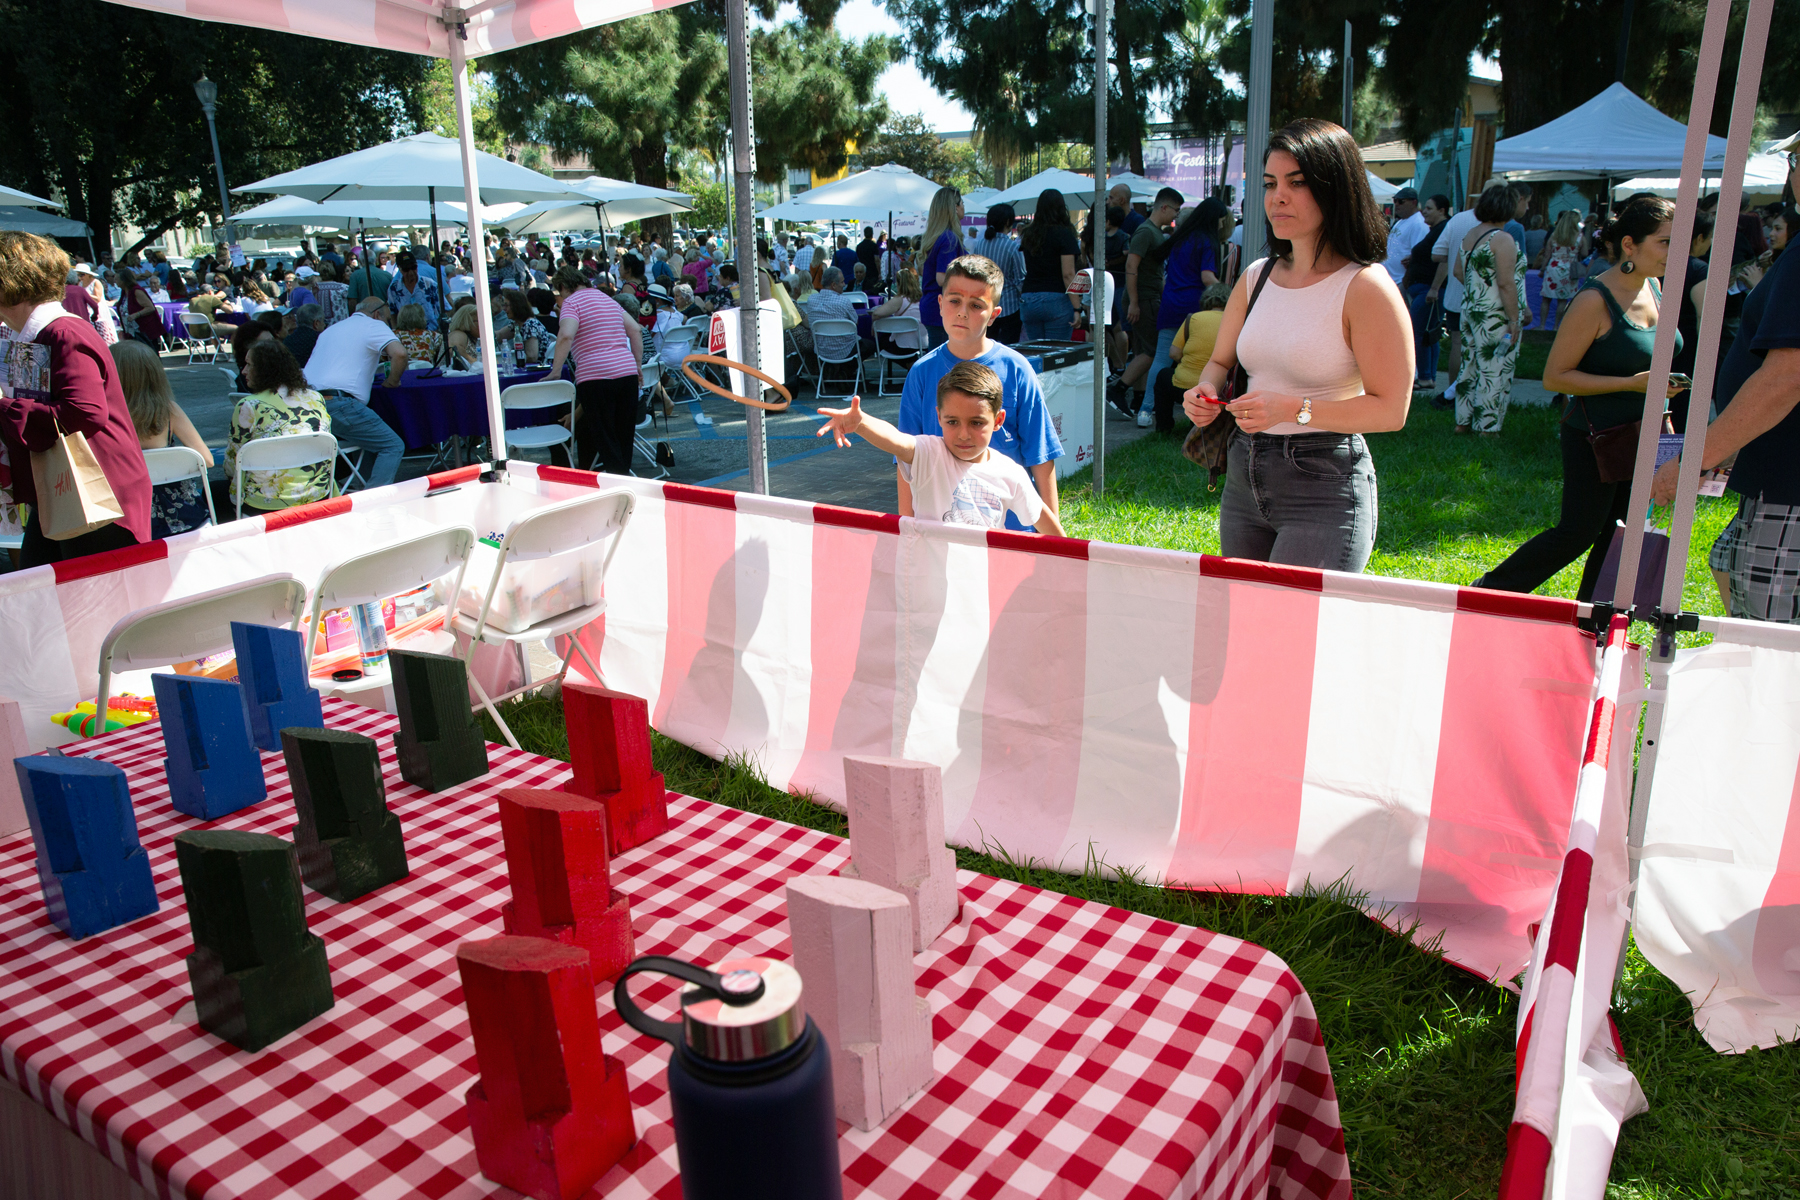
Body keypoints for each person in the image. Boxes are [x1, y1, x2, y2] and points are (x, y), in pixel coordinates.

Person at [1179, 118, 1413, 573]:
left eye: (1297, 182)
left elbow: (1391, 410)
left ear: (1336, 188)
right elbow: (1220, 362)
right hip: (1244, 475)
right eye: (1269, 183)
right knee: (1248, 629)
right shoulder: (1256, 276)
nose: (1277, 197)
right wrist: (1203, 393)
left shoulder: (1366, 286)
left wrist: (1291, 408)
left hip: (1324, 484)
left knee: (1298, 636)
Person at [1473, 196, 1682, 600]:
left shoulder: (1655, 288)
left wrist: (1664, 409)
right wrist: (1632, 383)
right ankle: (1489, 592)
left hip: (1646, 430)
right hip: (1596, 434)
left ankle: (1594, 619)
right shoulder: (1593, 300)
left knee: (1623, 534)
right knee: (1579, 532)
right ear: (1629, 246)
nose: (1676, 253)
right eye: (1665, 242)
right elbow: (1555, 377)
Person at [1652, 143, 1800, 622]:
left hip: (1788, 489)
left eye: (1794, 161)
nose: (1791, 172)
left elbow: (1786, 378)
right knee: (1727, 564)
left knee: (1769, 648)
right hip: (1774, 479)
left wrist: (1697, 458)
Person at [0, 232, 153, 567]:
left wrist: (4, 408)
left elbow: (83, 412)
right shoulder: (43, 333)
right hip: (67, 489)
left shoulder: (62, 332)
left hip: (97, 494)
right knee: (42, 596)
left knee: (84, 606)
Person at [896, 255, 1064, 531]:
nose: (962, 312)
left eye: (976, 305)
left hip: (1009, 534)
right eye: (954, 301)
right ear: (940, 304)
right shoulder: (921, 373)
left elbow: (1041, 455)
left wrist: (1051, 546)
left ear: (994, 314)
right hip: (941, 531)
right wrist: (907, 526)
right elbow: (906, 458)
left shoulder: (1017, 369)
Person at [818, 362, 1065, 536]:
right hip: (927, 590)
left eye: (977, 423)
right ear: (938, 417)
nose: (964, 434)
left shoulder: (1010, 473)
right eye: (952, 422)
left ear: (998, 420)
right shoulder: (929, 454)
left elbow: (1046, 525)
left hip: (979, 591)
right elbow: (896, 439)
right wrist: (861, 423)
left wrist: (1074, 564)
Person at [547, 265, 642, 476]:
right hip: (626, 371)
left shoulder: (572, 303)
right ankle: (624, 476)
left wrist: (555, 370)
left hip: (595, 375)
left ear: (563, 287)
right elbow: (635, 329)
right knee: (624, 433)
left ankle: (619, 480)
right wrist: (637, 364)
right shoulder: (607, 299)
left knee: (604, 434)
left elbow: (565, 336)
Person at [305, 296, 408, 489]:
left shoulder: (331, 329)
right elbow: (400, 354)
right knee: (392, 445)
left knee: (370, 437)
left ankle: (364, 487)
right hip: (338, 403)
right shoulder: (373, 324)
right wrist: (391, 381)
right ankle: (373, 500)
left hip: (308, 405)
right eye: (387, 320)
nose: (387, 325)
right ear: (377, 314)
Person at [1450, 182, 1527, 434]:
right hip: (1496, 315)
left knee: (1469, 364)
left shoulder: (1471, 234)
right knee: (1495, 368)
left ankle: (1462, 422)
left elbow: (1458, 271)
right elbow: (1506, 283)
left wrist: (1480, 289)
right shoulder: (1502, 239)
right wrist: (1514, 319)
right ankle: (1487, 427)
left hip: (1471, 309)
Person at [116, 340, 213, 537]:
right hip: (185, 515)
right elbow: (207, 460)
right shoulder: (169, 411)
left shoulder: (107, 416)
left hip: (129, 519)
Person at [228, 338, 334, 514]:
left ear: (264, 369)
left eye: (249, 365)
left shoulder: (249, 406)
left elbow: (232, 464)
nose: (244, 371)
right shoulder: (316, 398)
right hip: (317, 495)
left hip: (265, 504)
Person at [1145, 198, 1230, 411]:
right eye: (1221, 220)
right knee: (1201, 357)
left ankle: (1146, 408)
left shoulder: (1180, 238)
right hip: (1196, 308)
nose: (1222, 225)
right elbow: (1207, 277)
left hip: (1170, 303)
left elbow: (1166, 276)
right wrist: (1231, 294)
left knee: (1161, 358)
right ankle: (1197, 406)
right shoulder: (1207, 241)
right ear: (1214, 219)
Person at [1110, 187, 1184, 417]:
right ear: (1164, 207)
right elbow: (1131, 266)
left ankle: (1136, 399)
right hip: (1143, 298)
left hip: (1148, 298)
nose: (1176, 216)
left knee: (1143, 350)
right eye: (1175, 210)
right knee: (1152, 352)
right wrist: (1134, 302)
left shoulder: (1152, 231)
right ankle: (1119, 388)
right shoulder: (1145, 232)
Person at [1149, 282, 1231, 434]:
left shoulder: (1192, 319)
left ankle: (1164, 428)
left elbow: (1173, 353)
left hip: (1185, 388)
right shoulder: (1234, 322)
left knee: (1163, 376)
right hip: (1218, 390)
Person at [1428, 193, 1483, 409]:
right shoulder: (1503, 228)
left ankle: (1454, 393)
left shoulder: (1458, 219)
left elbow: (1437, 254)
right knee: (1481, 347)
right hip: (1484, 300)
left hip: (1456, 295)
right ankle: (1468, 397)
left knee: (1458, 344)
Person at [1017, 189, 1081, 342]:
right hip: (1056, 297)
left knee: (1035, 354)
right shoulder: (1064, 234)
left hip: (1029, 297)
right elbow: (1068, 274)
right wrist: (1077, 307)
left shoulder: (1029, 234)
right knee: (1056, 355)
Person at [1404, 194, 1450, 388]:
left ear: (1442, 211)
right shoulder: (1435, 230)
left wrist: (1434, 288)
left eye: (1430, 208)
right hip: (1424, 288)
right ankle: (1429, 376)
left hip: (1429, 290)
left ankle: (1423, 376)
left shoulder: (1443, 230)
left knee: (1417, 332)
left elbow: (1444, 259)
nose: (1425, 211)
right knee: (1430, 333)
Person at [968, 205, 1026, 345]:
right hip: (1010, 306)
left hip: (985, 305)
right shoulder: (1012, 247)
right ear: (1008, 222)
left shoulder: (980, 245)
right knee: (1010, 347)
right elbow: (1020, 279)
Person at [918, 187, 966, 348]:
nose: (963, 207)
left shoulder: (938, 237)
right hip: (943, 309)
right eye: (961, 203)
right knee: (945, 364)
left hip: (934, 307)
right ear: (954, 207)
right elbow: (941, 278)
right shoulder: (949, 238)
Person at [805, 267, 867, 376]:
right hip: (844, 349)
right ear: (833, 285)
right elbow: (855, 321)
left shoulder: (811, 300)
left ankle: (837, 370)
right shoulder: (844, 301)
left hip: (821, 349)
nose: (844, 284)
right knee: (869, 345)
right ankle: (845, 370)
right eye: (842, 282)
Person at [1537, 210, 1586, 330]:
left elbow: (1547, 254)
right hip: (1570, 270)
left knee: (1546, 299)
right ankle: (1556, 327)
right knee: (1562, 300)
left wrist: (1542, 269)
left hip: (1554, 267)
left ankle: (1542, 325)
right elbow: (1584, 253)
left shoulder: (1554, 235)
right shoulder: (1580, 237)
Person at [870, 268, 926, 355]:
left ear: (899, 284)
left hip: (903, 346)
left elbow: (876, 313)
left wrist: (873, 324)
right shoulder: (923, 298)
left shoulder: (900, 300)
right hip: (923, 344)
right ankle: (911, 363)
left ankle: (909, 363)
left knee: (882, 339)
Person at [1382, 187, 1427, 284]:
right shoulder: (1400, 222)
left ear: (1413, 202)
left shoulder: (1418, 223)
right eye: (1395, 201)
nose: (1397, 204)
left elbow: (1418, 254)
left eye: (1401, 201)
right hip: (1390, 279)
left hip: (1401, 280)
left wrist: (1405, 281)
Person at [387, 252, 441, 330]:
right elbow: (392, 313)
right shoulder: (394, 288)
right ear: (399, 269)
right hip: (406, 336)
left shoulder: (430, 284)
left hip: (431, 332)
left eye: (413, 267)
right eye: (406, 269)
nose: (411, 272)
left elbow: (444, 308)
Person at [72, 262, 118, 345]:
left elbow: (97, 298)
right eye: (78, 275)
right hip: (87, 311)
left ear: (88, 275)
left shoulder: (95, 282)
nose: (80, 277)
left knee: (105, 339)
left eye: (82, 275)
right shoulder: (80, 284)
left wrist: (84, 294)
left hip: (99, 312)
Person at [501, 289, 552, 364]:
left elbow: (532, 357)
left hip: (539, 369)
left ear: (516, 306)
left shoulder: (530, 325)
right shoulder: (517, 324)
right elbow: (498, 336)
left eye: (507, 305)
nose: (504, 309)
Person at [118, 268, 163, 349]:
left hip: (143, 331)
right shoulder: (124, 292)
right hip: (131, 332)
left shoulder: (137, 291)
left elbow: (150, 308)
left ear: (123, 280)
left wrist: (136, 315)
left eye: (116, 279)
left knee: (149, 355)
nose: (115, 281)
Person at [230, 319, 275, 391]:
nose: (273, 346)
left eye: (273, 341)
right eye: (266, 343)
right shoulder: (255, 378)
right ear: (247, 346)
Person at [283, 303, 325, 367]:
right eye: (323, 321)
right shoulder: (320, 339)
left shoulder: (288, 340)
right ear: (316, 323)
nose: (324, 325)